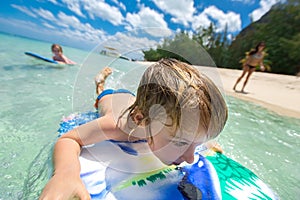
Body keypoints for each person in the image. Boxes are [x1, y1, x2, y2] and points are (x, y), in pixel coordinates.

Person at [39, 58, 228, 199]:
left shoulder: (158, 122)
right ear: (142, 121)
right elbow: (69, 139)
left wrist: (206, 142)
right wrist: (65, 173)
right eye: (180, 142)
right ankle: (100, 83)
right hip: (109, 99)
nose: (190, 158)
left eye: (196, 144)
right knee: (100, 95)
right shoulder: (117, 126)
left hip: (134, 101)